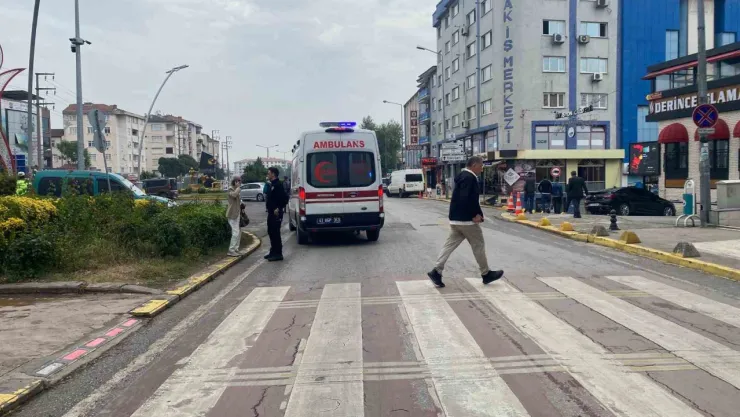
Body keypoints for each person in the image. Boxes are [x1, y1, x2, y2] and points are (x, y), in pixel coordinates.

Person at [427, 156, 504, 288]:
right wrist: (475, 215)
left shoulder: (462, 176)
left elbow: (462, 198)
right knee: (478, 245)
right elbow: (467, 199)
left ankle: (436, 271)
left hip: (456, 219)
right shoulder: (470, 178)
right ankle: (486, 274)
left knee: (449, 245)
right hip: (467, 221)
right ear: (474, 165)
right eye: (480, 166)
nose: (481, 169)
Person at [265, 167, 289, 261]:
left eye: (269, 173)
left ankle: (278, 253)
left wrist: (279, 208)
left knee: (275, 233)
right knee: (271, 231)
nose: (268, 175)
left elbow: (284, 199)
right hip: (271, 212)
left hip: (276, 213)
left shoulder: (278, 185)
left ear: (273, 174)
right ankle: (273, 251)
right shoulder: (272, 184)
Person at [226, 176, 243, 257]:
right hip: (232, 214)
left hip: (237, 214)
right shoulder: (231, 189)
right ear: (235, 181)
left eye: (240, 181)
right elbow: (234, 195)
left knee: (239, 232)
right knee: (235, 232)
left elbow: (237, 200)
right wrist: (238, 188)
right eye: (238, 181)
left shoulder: (236, 189)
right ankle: (231, 250)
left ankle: (236, 249)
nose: (240, 183)